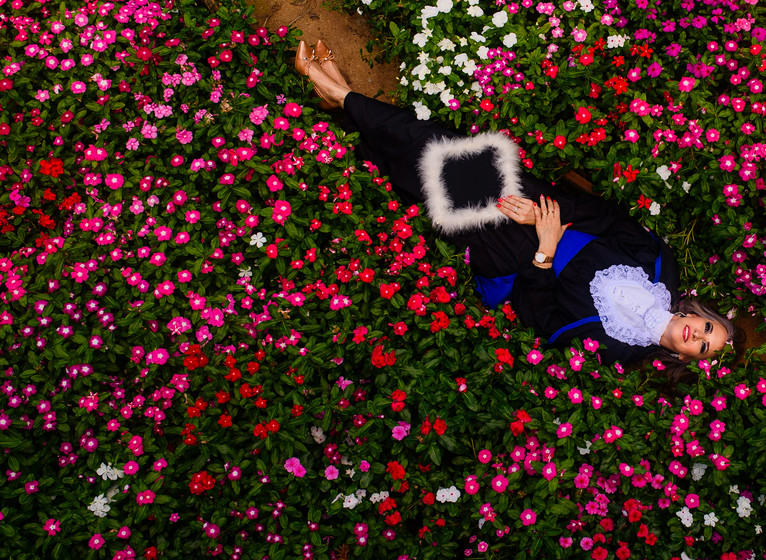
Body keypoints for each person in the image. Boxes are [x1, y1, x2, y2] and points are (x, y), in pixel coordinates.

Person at [295, 41, 742, 370]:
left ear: (682, 356)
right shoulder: (661, 268)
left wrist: (544, 252)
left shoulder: (616, 351)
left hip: (519, 262)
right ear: (697, 314)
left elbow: (546, 320)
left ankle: (339, 96)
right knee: (450, 153)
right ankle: (342, 98)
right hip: (548, 213)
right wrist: (549, 218)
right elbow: (609, 219)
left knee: (452, 184)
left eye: (703, 347)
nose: (697, 336)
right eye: (707, 329)